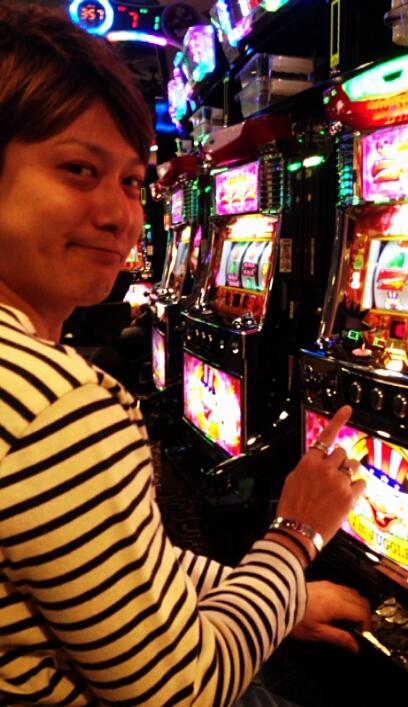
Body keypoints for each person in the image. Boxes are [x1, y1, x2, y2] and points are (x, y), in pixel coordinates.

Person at [0, 4, 368, 705]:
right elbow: (181, 691)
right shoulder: (56, 405)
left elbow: (119, 568)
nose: (119, 214)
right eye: (78, 169)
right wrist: (295, 534)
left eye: (131, 182)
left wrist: (280, 595)